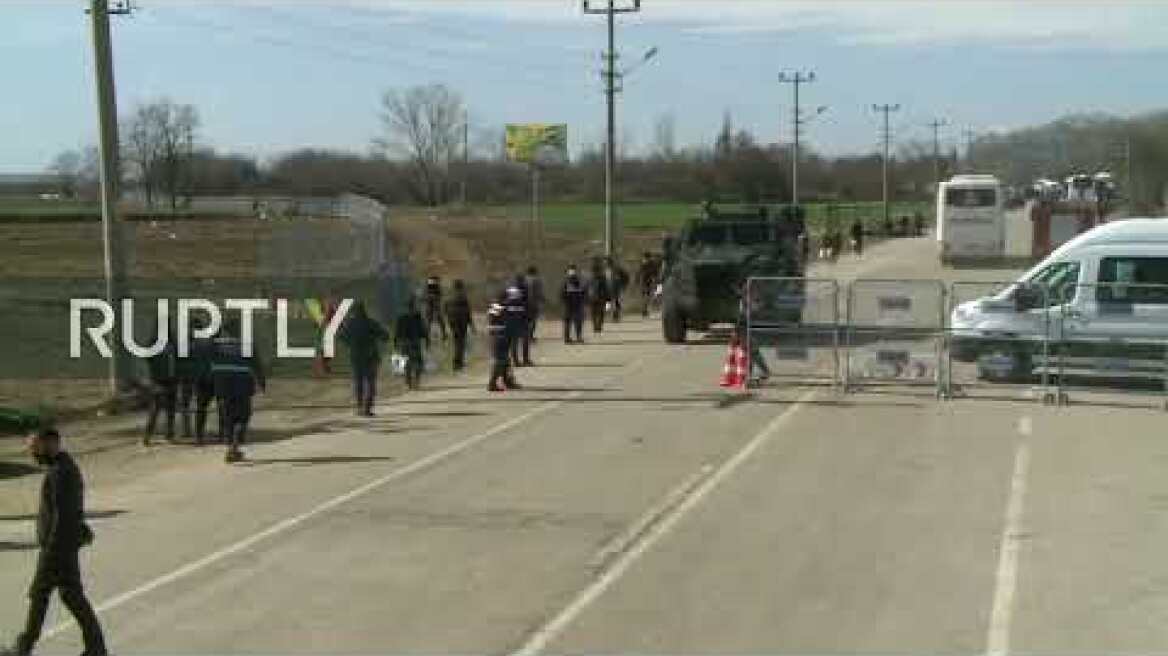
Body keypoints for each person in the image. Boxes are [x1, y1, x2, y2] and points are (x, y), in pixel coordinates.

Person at [5, 428, 107, 656]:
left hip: (57, 547)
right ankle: (96, 647)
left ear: (51, 444)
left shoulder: (61, 472)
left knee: (39, 595)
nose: (32, 452)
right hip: (63, 545)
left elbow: (64, 515)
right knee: (71, 595)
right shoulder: (61, 468)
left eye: (35, 447)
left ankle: (23, 647)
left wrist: (51, 551)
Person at [211, 319, 266, 464]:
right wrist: (261, 383)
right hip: (242, 386)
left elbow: (205, 363)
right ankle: (235, 443)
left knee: (228, 416)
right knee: (243, 416)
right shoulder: (247, 345)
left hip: (223, 387)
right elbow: (257, 365)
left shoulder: (215, 345)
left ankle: (231, 448)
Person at [340, 301, 389, 416]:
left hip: (356, 356)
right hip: (370, 356)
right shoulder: (371, 322)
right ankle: (367, 407)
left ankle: (360, 406)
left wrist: (351, 344)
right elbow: (384, 335)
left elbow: (342, 337)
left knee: (359, 382)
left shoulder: (350, 324)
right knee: (370, 382)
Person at [177, 316, 216, 445]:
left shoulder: (188, 344)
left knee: (189, 404)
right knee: (201, 406)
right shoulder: (208, 342)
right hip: (205, 377)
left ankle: (189, 431)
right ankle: (200, 433)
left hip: (192, 377)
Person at [143, 323, 178, 446]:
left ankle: (164, 434)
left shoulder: (161, 343)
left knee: (163, 409)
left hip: (164, 379)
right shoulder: (170, 343)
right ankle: (152, 435)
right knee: (160, 409)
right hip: (162, 380)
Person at [487, 292, 520, 392]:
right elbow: (492, 322)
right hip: (499, 336)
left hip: (503, 335)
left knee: (505, 360)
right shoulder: (497, 306)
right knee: (501, 360)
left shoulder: (502, 307)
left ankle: (507, 381)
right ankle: (492, 383)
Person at [394, 296, 429, 391]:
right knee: (418, 362)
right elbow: (423, 329)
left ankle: (408, 382)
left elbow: (397, 331)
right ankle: (416, 381)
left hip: (405, 342)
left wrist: (396, 342)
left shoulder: (401, 317)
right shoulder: (417, 316)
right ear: (413, 305)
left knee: (406, 363)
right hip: (414, 342)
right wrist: (426, 339)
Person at [444, 280, 474, 372]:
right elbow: (468, 312)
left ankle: (457, 362)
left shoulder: (449, 297)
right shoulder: (463, 297)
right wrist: (472, 325)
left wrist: (449, 321)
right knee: (461, 343)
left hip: (453, 323)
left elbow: (445, 309)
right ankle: (458, 363)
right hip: (462, 323)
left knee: (457, 342)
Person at [504, 278, 532, 367]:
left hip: (511, 321)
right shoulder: (524, 291)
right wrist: (529, 318)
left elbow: (500, 307)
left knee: (514, 342)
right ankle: (525, 360)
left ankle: (516, 361)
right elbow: (527, 306)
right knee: (524, 340)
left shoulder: (508, 293)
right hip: (522, 320)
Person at [561, 264, 586, 344]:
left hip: (569, 304)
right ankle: (577, 337)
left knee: (568, 322)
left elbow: (561, 294)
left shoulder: (565, 281)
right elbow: (583, 292)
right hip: (575, 304)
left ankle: (567, 338)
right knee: (576, 322)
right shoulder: (578, 281)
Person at [588, 260, 610, 334]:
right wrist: (608, 299)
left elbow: (586, 289)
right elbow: (606, 289)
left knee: (596, 313)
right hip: (598, 298)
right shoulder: (601, 278)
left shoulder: (590, 279)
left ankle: (597, 326)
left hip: (595, 298)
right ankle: (597, 326)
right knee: (598, 313)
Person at [524, 266, 545, 343]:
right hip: (534, 303)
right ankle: (530, 336)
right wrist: (542, 300)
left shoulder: (524, 280)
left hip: (524, 303)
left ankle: (525, 335)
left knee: (525, 320)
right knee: (533, 320)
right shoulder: (537, 280)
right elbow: (539, 292)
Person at [605, 257, 629, 322]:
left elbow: (625, 277)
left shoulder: (617, 269)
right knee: (609, 303)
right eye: (605, 263)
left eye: (607, 262)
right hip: (608, 289)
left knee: (615, 302)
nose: (606, 264)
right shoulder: (606, 271)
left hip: (615, 289)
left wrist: (623, 285)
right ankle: (612, 315)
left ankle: (615, 316)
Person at [423, 275, 447, 341]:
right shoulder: (434, 287)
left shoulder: (430, 287)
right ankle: (443, 334)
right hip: (433, 306)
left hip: (433, 306)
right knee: (436, 321)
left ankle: (443, 334)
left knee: (431, 321)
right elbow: (440, 296)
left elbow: (440, 296)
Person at [636, 252, 659, 318]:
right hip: (645, 282)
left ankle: (645, 310)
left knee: (647, 297)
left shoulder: (651, 264)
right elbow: (639, 272)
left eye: (645, 258)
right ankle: (645, 310)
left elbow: (654, 273)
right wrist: (637, 280)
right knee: (646, 297)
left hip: (648, 282)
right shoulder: (644, 264)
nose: (645, 259)